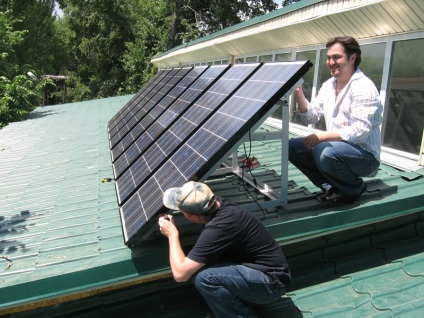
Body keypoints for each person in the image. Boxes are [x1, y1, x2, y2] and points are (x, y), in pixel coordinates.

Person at [158, 181, 290, 318]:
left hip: (272, 284)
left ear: (195, 217)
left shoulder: (220, 227)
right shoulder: (217, 204)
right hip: (260, 272)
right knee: (202, 265)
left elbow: (180, 275)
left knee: (205, 277)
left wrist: (172, 235)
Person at [289, 36, 383, 204]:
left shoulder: (363, 87)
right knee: (292, 147)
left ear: (352, 57)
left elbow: (360, 132)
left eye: (336, 57)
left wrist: (321, 137)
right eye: (328, 57)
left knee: (324, 151)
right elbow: (312, 116)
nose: (331, 62)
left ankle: (354, 188)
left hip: (365, 157)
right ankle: (332, 187)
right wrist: (298, 92)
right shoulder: (329, 85)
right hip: (337, 149)